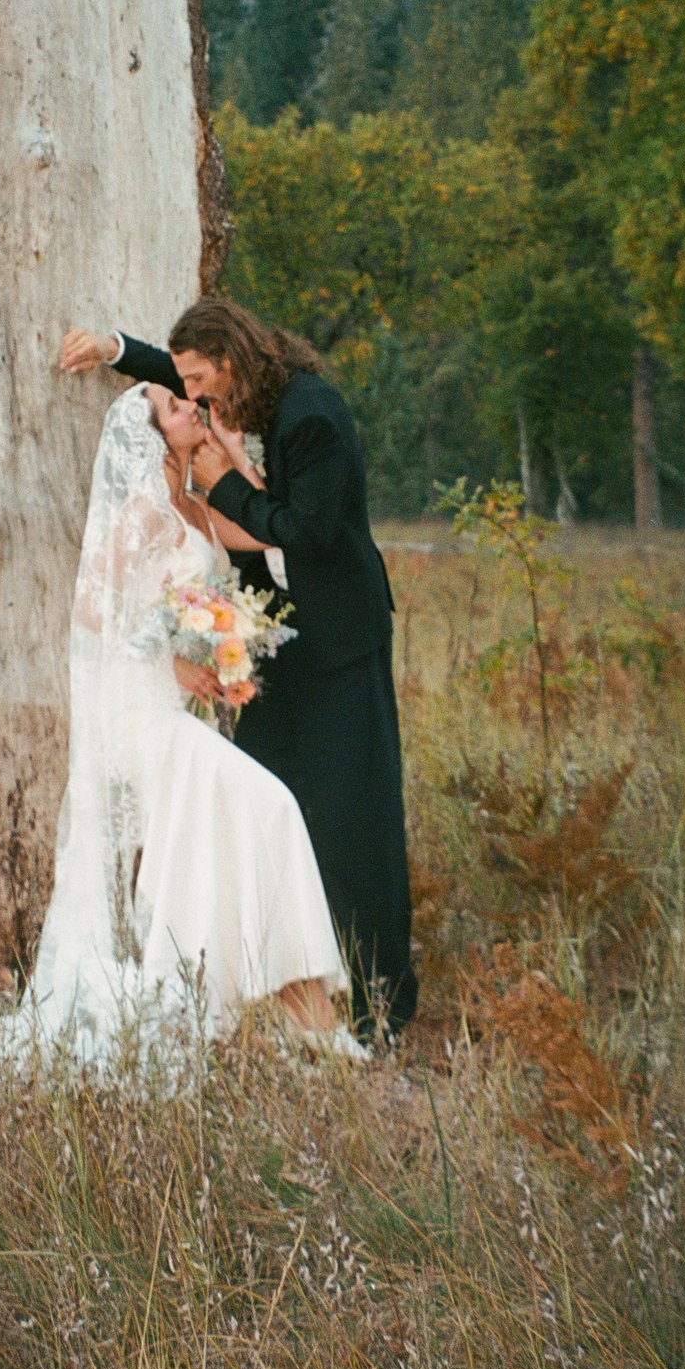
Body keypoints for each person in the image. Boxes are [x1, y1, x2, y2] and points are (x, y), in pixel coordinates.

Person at [0, 381, 356, 1089]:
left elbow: (273, 527)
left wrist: (235, 457)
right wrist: (176, 659)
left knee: (232, 828)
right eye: (176, 407)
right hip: (135, 713)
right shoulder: (145, 509)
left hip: (172, 711)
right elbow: (93, 608)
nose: (192, 409)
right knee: (270, 806)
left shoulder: (195, 504)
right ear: (153, 433)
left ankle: (282, 1010)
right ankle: (268, 1009)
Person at [60, 299, 418, 1039]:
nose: (192, 398)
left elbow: (307, 534)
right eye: (181, 391)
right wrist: (112, 347)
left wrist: (222, 484)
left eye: (198, 382)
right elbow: (171, 373)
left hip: (340, 641)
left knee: (356, 817)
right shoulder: (229, 386)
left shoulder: (311, 415)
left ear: (231, 361)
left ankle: (383, 1003)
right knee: (260, 807)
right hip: (277, 648)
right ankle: (264, 991)